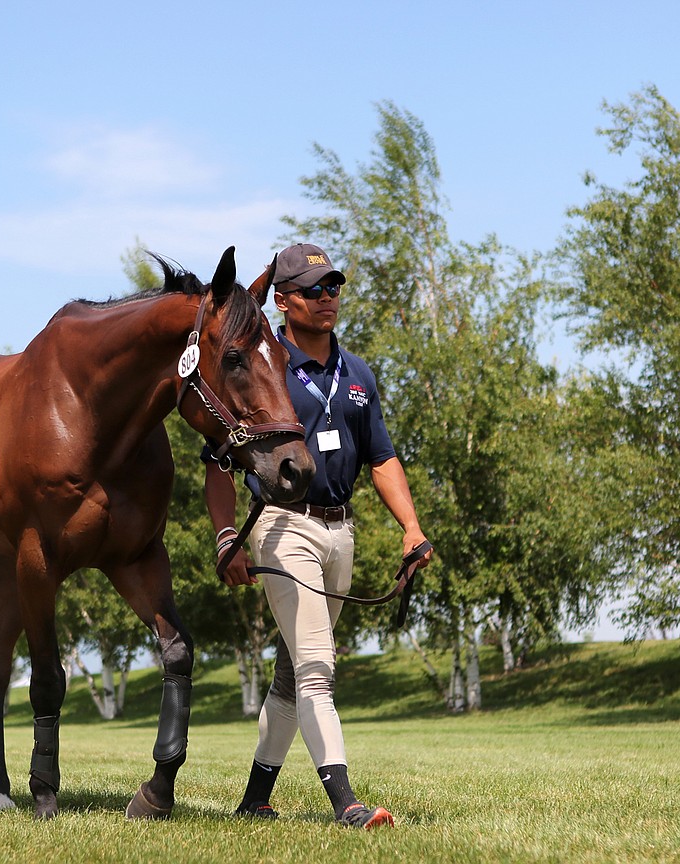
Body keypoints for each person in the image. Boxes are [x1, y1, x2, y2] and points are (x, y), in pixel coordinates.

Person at [203, 242, 433, 829]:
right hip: (284, 527)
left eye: (333, 287)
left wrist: (411, 530)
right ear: (282, 300)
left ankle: (255, 799)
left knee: (290, 671)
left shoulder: (357, 374)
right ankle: (347, 804)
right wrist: (227, 534)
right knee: (316, 668)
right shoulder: (261, 360)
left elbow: (382, 459)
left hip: (340, 532)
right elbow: (218, 463)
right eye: (313, 290)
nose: (327, 299)